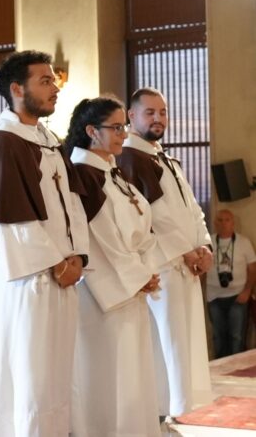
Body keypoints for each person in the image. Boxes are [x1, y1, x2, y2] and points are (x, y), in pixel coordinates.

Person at [0, 50, 90, 437]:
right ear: (17, 89)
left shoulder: (48, 142)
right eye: (45, 81)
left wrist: (77, 257)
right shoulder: (5, 144)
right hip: (25, 278)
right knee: (27, 377)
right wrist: (56, 263)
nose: (55, 88)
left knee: (54, 378)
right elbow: (8, 219)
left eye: (54, 80)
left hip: (60, 276)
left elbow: (73, 204)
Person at [65, 97, 162, 436]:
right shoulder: (84, 175)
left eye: (124, 126)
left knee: (132, 373)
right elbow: (99, 240)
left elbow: (145, 229)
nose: (124, 133)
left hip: (131, 285)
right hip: (102, 295)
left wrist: (147, 270)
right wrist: (138, 275)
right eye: (117, 127)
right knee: (105, 375)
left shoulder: (111, 172)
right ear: (92, 131)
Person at [118, 87, 214, 417]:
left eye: (163, 112)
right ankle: (167, 410)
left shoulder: (164, 158)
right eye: (150, 112)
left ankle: (184, 408)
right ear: (131, 116)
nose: (158, 118)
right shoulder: (130, 157)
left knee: (185, 341)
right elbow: (153, 216)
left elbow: (192, 209)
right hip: (162, 265)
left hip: (186, 264)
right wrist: (187, 251)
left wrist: (205, 246)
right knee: (167, 343)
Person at [206, 210, 255, 358]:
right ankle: (221, 368)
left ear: (233, 223)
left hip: (238, 297)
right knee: (218, 337)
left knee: (237, 337)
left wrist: (247, 291)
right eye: (220, 220)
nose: (223, 223)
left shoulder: (244, 242)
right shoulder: (208, 243)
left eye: (227, 220)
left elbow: (252, 269)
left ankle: (237, 369)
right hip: (214, 297)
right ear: (215, 223)